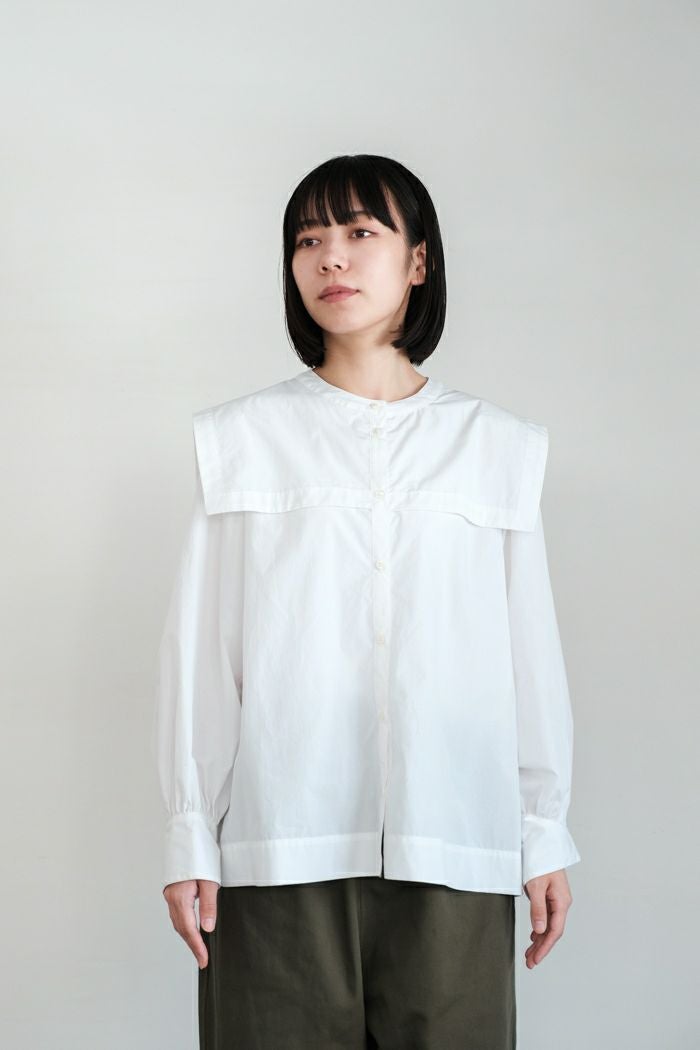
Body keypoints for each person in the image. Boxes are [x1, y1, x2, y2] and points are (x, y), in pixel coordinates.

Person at [152, 153, 581, 1049]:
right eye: (308, 240)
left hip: (453, 842)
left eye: (360, 232)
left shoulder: (498, 448)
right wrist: (190, 832)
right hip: (279, 848)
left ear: (419, 259)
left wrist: (543, 832)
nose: (331, 259)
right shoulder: (241, 441)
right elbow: (203, 654)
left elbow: (527, 657)